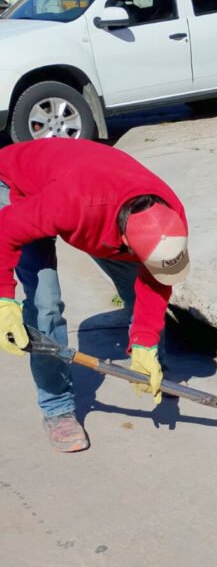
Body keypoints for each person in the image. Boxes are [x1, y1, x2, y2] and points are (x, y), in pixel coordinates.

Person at [0, 138, 190, 453]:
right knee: (44, 304)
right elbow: (5, 231)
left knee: (137, 289)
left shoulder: (170, 218)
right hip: (15, 186)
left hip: (84, 187)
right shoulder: (73, 205)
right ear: (125, 241)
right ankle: (57, 406)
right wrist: (4, 299)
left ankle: (152, 364)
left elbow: (157, 282)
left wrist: (144, 345)